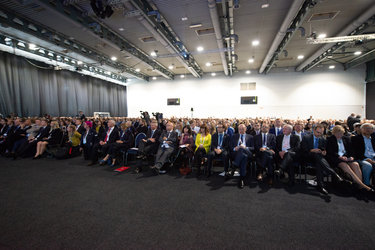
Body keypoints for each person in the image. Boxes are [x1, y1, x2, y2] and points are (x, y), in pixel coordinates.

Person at [326, 125, 373, 193]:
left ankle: (359, 186)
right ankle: (362, 185)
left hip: (347, 157)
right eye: (337, 133)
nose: (339, 135)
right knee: (345, 165)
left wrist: (351, 157)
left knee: (355, 164)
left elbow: (351, 150)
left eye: (341, 133)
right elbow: (330, 152)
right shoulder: (330, 139)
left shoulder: (346, 139)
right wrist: (340, 157)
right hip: (336, 158)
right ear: (334, 133)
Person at [300, 124, 344, 195]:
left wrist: (324, 152)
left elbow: (324, 149)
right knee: (318, 157)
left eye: (321, 133)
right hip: (308, 157)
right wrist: (312, 150)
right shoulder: (306, 137)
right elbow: (303, 149)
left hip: (318, 158)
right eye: (318, 132)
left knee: (319, 163)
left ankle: (320, 186)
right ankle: (333, 173)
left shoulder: (323, 139)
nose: (319, 134)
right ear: (314, 130)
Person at [230, 124, 254, 189]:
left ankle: (234, 167)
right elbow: (230, 147)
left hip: (248, 152)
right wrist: (235, 148)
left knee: (242, 149)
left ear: (245, 129)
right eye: (239, 129)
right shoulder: (234, 136)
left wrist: (245, 148)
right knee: (244, 157)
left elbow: (253, 148)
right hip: (237, 154)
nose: (241, 130)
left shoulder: (250, 137)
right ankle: (241, 179)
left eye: (242, 129)